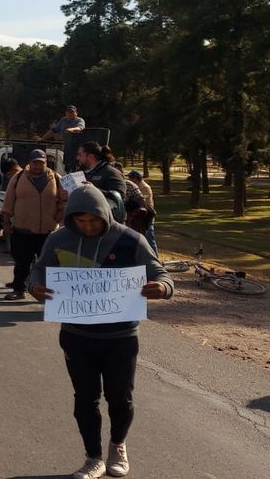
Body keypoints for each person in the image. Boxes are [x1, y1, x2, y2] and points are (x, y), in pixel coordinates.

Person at [30, 186, 174, 479]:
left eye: (93, 220)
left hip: (121, 338)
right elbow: (39, 271)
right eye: (80, 221)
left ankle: (118, 444)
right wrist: (35, 288)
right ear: (71, 218)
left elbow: (161, 273)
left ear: (105, 214)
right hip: (77, 335)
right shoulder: (59, 238)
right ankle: (93, 457)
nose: (88, 227)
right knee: (85, 398)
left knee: (121, 397)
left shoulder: (130, 239)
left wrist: (162, 288)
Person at [0, 149, 66, 300]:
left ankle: (49, 294)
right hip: (23, 230)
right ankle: (19, 289)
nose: (38, 166)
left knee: (49, 264)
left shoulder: (56, 178)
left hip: (48, 231)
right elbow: (8, 202)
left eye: (41, 163)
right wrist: (6, 224)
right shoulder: (18, 178)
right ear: (29, 163)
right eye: (35, 162)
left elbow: (63, 199)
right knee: (22, 263)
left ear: (46, 163)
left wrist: (61, 211)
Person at [40, 105, 86, 173]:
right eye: (68, 112)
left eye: (72, 112)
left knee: (77, 170)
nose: (70, 113)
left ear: (76, 113)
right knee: (67, 169)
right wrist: (42, 139)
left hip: (77, 150)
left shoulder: (79, 120)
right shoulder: (63, 120)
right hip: (67, 150)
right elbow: (53, 130)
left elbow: (80, 128)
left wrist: (71, 130)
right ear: (66, 113)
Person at [127, 170, 158, 253]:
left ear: (136, 179)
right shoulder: (136, 186)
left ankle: (155, 256)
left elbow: (141, 199)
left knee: (149, 237)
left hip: (147, 214)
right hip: (140, 214)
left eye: (130, 178)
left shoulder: (144, 187)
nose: (129, 179)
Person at [1, 157, 21, 254]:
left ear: (14, 168)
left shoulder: (21, 178)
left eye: (9, 174)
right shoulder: (16, 179)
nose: (8, 177)